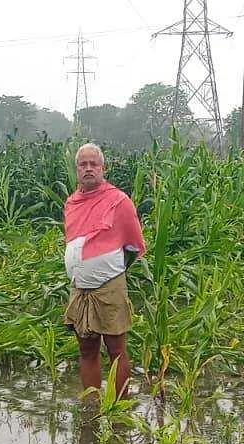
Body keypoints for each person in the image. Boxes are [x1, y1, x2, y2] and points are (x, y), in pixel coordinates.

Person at [63, 143, 145, 401]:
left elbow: (133, 245)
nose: (88, 169)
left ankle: (120, 406)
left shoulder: (118, 201)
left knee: (116, 349)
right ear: (77, 170)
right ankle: (92, 404)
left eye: (93, 164)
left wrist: (111, 269)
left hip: (109, 286)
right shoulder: (71, 203)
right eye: (83, 164)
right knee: (86, 349)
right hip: (80, 287)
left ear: (103, 168)